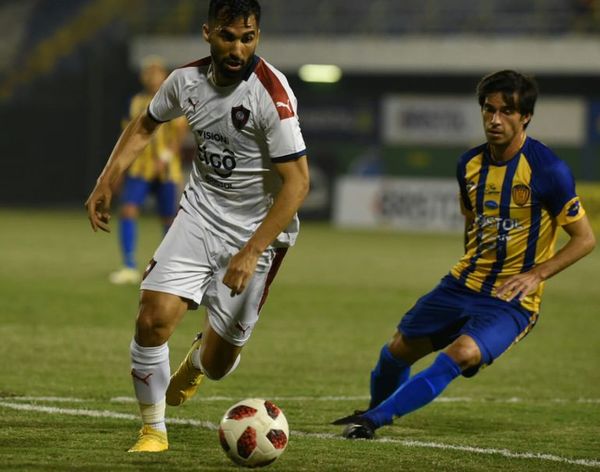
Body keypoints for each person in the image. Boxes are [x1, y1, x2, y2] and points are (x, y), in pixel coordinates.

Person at [85, 0, 309, 452]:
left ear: (257, 37)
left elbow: (298, 183)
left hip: (257, 235)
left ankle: (197, 365)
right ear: (208, 33)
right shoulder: (185, 82)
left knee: (222, 361)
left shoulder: (272, 96)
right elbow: (145, 125)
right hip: (199, 216)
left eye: (247, 38)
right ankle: (153, 430)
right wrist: (107, 180)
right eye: (228, 36)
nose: (237, 48)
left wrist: (251, 251)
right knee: (152, 319)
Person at [333, 70, 596, 439]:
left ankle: (372, 422)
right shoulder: (468, 165)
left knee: (461, 354)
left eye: (506, 111)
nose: (494, 119)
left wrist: (536, 275)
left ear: (526, 117)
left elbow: (584, 239)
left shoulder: (548, 169)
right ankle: (373, 410)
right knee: (394, 352)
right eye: (489, 110)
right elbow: (472, 225)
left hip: (511, 300)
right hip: (461, 286)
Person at [109, 56, 187, 285]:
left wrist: (164, 157)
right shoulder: (135, 102)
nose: (152, 76)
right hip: (140, 169)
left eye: (157, 72)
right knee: (128, 211)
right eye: (148, 72)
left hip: (167, 171)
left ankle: (168, 268)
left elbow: (179, 135)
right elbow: (127, 135)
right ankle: (129, 266)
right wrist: (118, 169)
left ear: (164, 76)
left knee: (168, 220)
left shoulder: (173, 101)